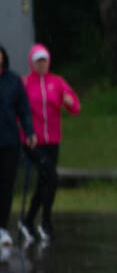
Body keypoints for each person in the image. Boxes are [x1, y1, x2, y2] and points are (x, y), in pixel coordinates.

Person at [19, 43, 80, 244]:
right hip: (33, 141)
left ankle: (29, 220)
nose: (42, 64)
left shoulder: (57, 82)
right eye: (38, 61)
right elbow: (18, 111)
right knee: (51, 177)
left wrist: (69, 103)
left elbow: (74, 105)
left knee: (45, 181)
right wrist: (26, 134)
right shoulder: (26, 83)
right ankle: (45, 221)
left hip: (53, 139)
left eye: (44, 60)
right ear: (32, 63)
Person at [0, 45, 36, 249]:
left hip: (9, 141)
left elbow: (23, 110)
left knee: (6, 185)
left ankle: (2, 227)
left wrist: (29, 132)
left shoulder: (13, 81)